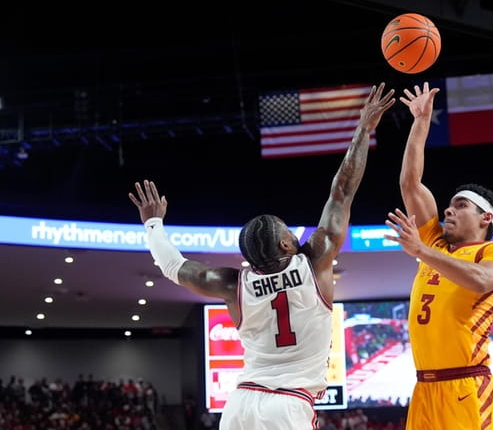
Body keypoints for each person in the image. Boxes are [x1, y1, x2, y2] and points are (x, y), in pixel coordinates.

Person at [128, 82, 395, 430]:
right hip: (288, 405)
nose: (293, 234)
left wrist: (153, 224)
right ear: (285, 246)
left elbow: (174, 266)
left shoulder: (231, 283)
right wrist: (363, 129)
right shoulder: (314, 261)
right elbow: (342, 190)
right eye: (288, 232)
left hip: (239, 404)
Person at [384, 82, 493, 430]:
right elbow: (410, 184)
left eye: (462, 205)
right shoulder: (438, 244)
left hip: (467, 386)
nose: (449, 210)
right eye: (450, 205)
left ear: (486, 218)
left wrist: (421, 251)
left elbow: (481, 279)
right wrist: (421, 121)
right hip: (424, 388)